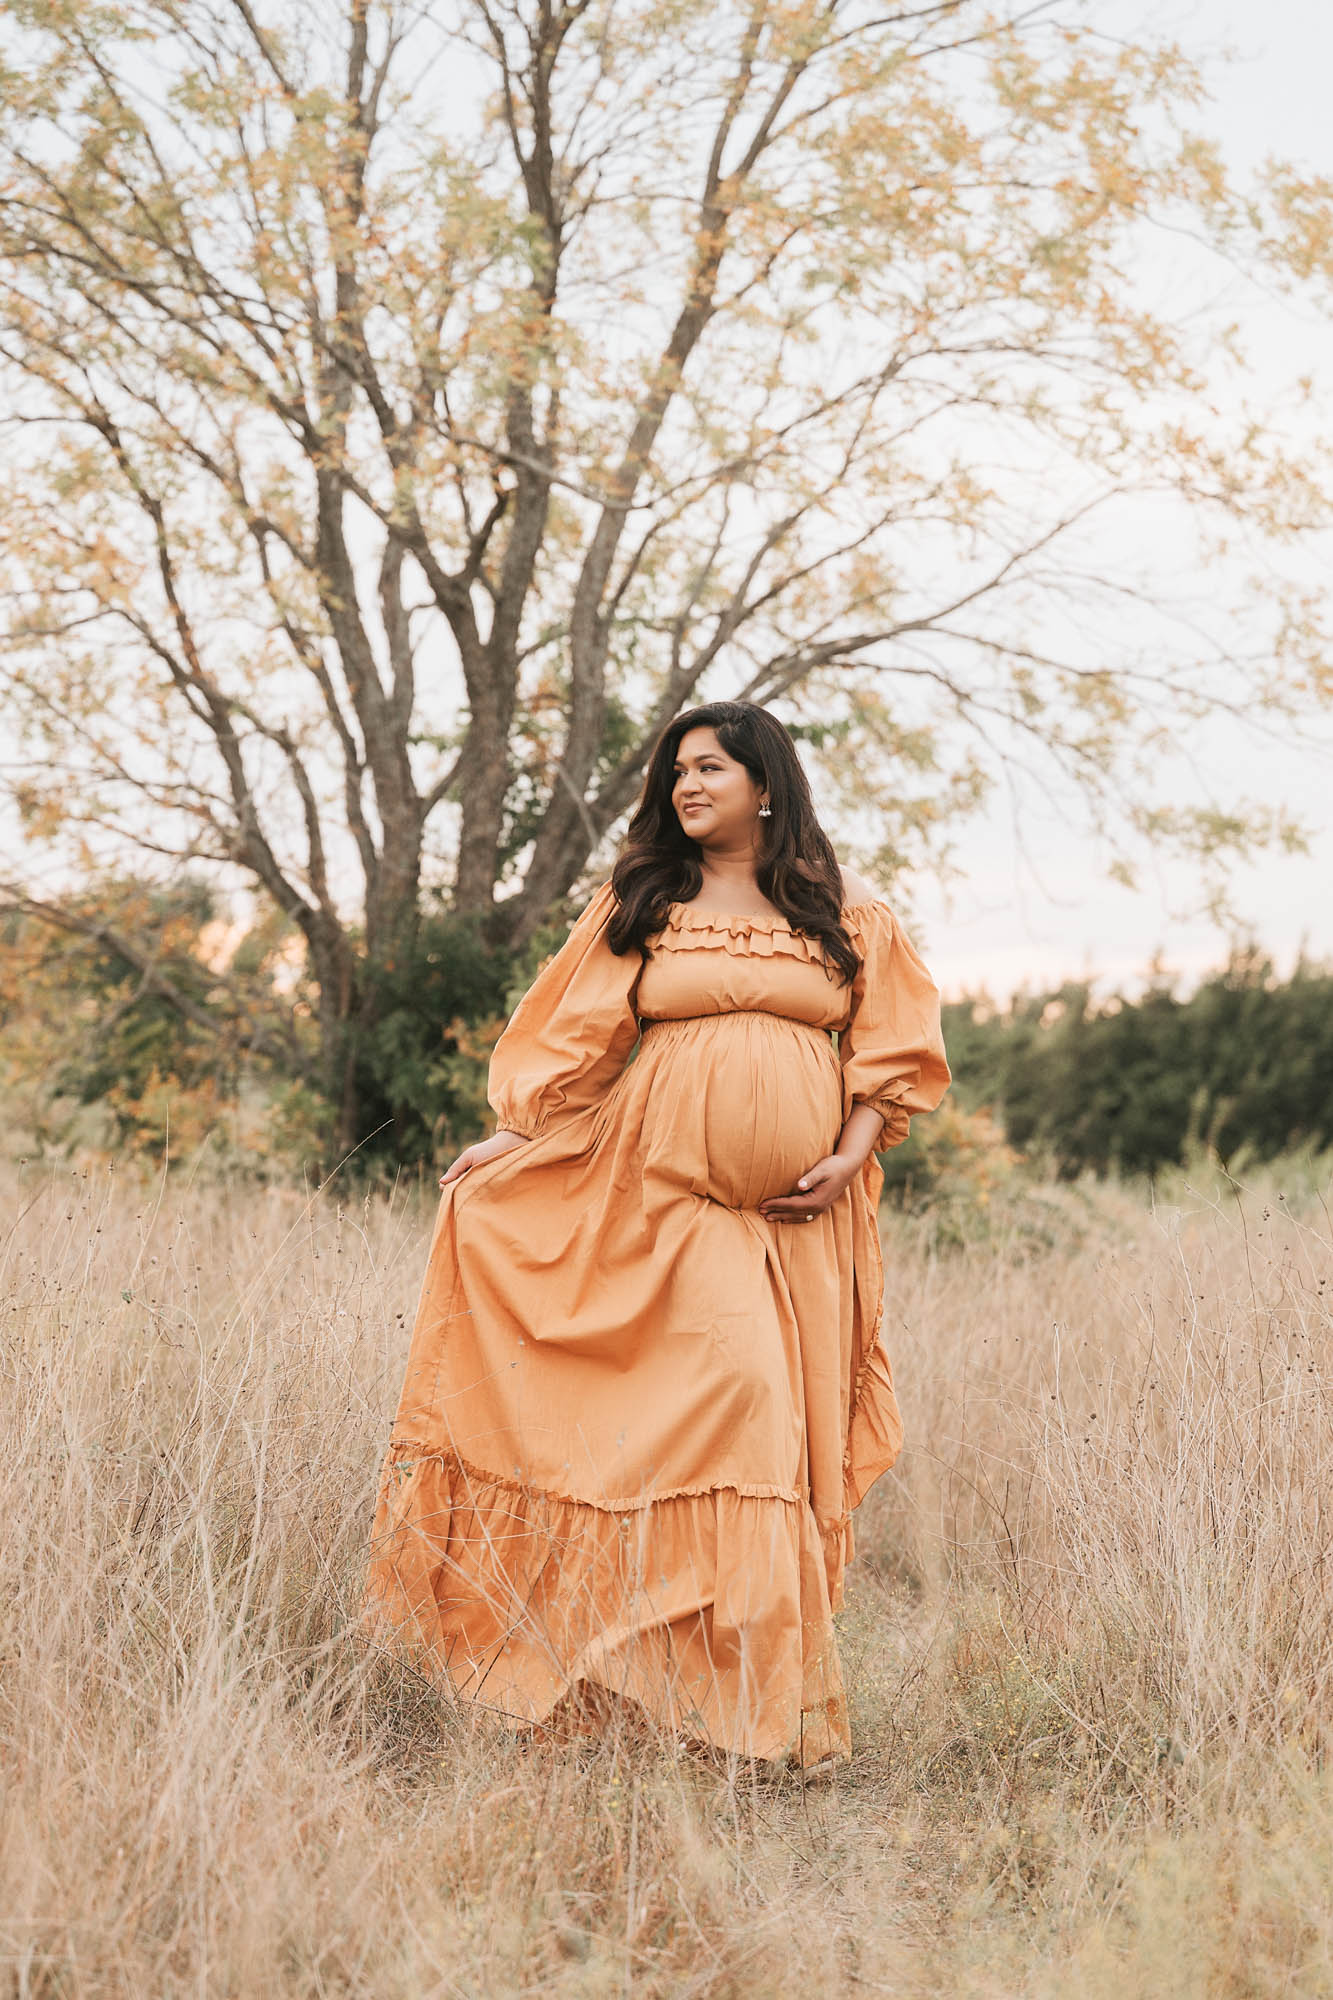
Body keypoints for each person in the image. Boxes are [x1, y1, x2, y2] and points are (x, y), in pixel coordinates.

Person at [364, 701, 950, 1769]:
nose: (687, 786)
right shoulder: (647, 900)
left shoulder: (843, 911)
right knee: (736, 1418)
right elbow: (576, 1038)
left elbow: (892, 1050)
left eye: (711, 768)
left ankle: (745, 1719)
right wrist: (513, 1139)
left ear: (765, 784)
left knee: (768, 1443)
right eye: (677, 771)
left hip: (794, 1224)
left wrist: (851, 1152)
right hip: (660, 1199)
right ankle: (662, 1697)